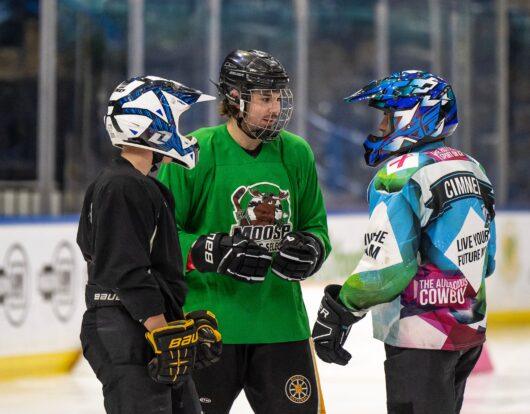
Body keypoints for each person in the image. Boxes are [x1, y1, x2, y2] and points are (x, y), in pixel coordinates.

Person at [312, 70, 496, 414]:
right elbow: (490, 259)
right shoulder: (473, 168)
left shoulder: (400, 173)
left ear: (416, 118)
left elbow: (388, 269)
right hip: (467, 331)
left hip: (420, 336)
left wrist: (341, 309)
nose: (381, 127)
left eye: (388, 117)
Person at [157, 49, 330, 414]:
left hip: (282, 326)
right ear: (235, 99)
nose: (275, 107)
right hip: (209, 328)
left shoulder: (296, 153)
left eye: (279, 96)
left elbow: (315, 225)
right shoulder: (195, 152)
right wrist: (205, 249)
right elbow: (161, 237)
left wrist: (313, 247)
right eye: (265, 98)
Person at [77, 75, 222, 414]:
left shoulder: (135, 185)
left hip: (136, 323)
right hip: (126, 326)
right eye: (174, 120)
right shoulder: (122, 186)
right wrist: (161, 330)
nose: (181, 132)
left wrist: (174, 323)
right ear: (148, 124)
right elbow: (126, 268)